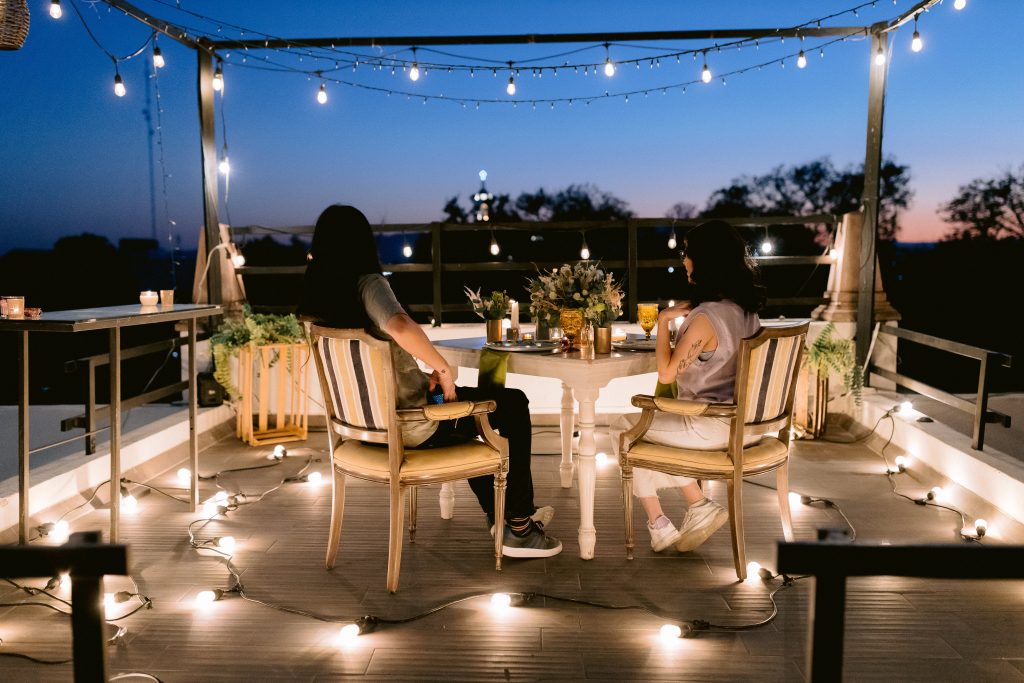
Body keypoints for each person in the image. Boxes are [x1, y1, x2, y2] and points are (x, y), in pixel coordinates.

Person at [298, 204, 561, 558]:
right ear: (362, 243)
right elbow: (400, 326)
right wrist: (442, 369)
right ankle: (519, 528)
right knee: (512, 403)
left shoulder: (320, 299)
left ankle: (503, 516)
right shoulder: (368, 285)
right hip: (411, 425)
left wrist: (419, 375)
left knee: (469, 419)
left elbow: (373, 367)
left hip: (361, 430)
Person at [614, 220, 765, 553]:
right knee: (641, 436)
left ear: (706, 260)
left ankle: (672, 516)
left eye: (688, 253)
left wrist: (666, 319)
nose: (684, 260)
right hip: (748, 426)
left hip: (711, 426)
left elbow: (667, 374)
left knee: (624, 429)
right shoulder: (746, 310)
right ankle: (686, 514)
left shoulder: (705, 318)